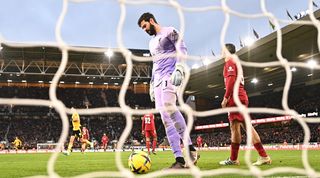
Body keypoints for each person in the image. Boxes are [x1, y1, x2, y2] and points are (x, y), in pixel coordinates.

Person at [138, 12, 199, 169]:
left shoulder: (170, 31)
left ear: (151, 21)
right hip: (158, 80)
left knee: (169, 107)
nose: (144, 30)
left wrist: (179, 67)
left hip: (171, 75)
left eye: (145, 26)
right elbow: (155, 64)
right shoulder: (151, 43)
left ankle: (190, 149)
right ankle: (180, 158)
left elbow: (182, 48)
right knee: (165, 118)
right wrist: (151, 84)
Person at [219, 43, 271, 166]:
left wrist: (226, 98)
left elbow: (231, 80)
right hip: (239, 97)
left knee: (242, 127)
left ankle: (262, 156)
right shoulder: (234, 62)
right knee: (238, 127)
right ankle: (235, 158)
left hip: (235, 98)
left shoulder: (230, 62)